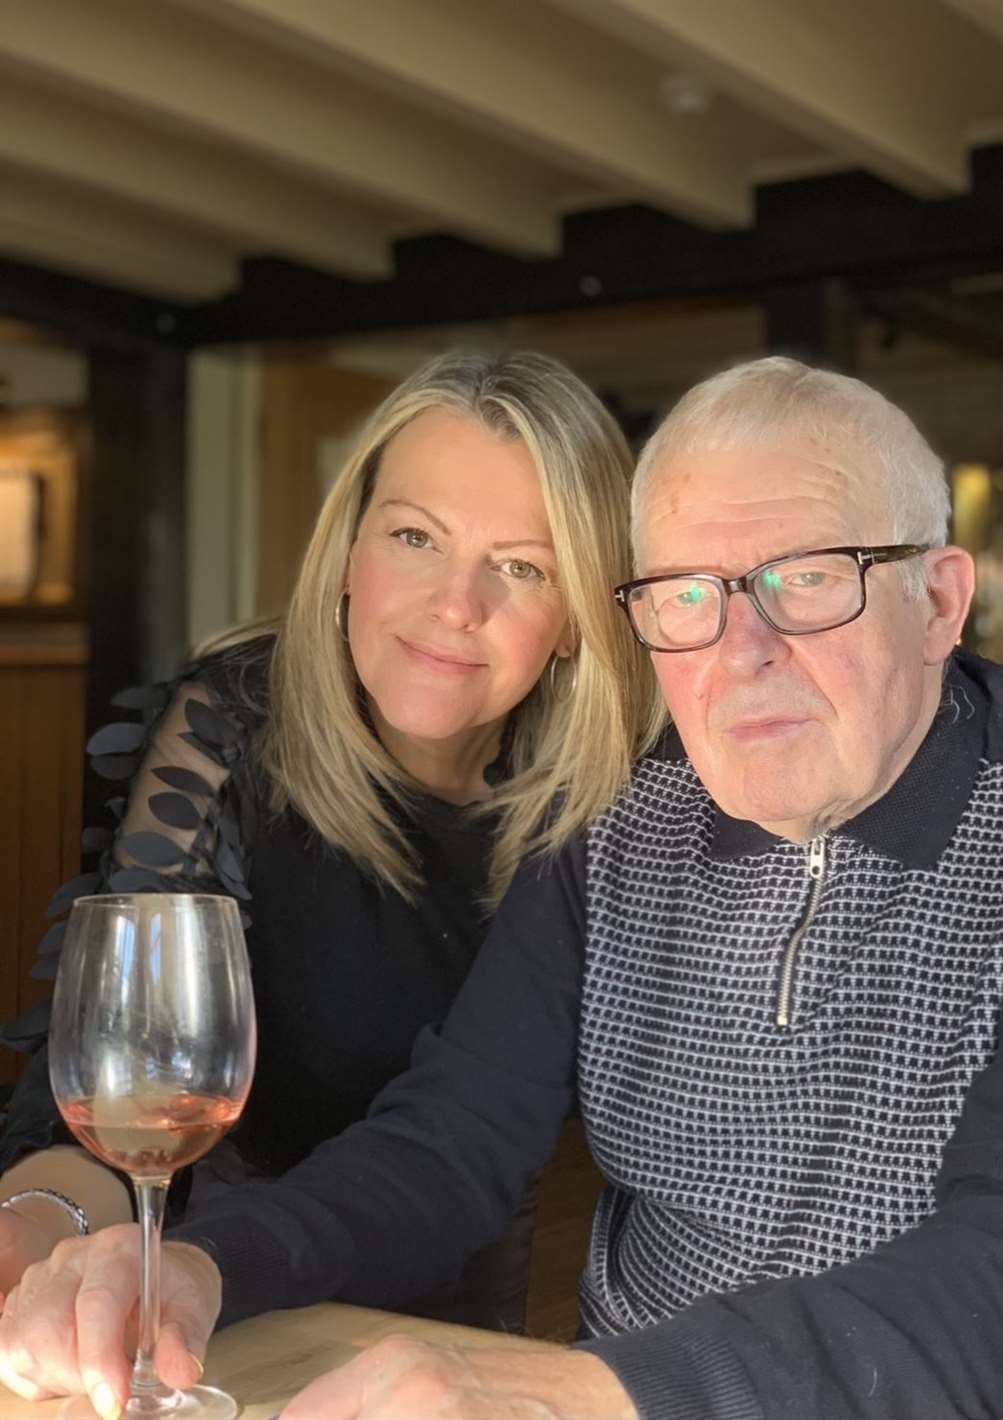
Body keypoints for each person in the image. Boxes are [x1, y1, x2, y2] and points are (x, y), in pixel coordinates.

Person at [5, 354, 1003, 1420]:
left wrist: (597, 1393)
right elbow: (453, 1137)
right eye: (687, 592)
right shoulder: (622, 806)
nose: (740, 650)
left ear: (939, 601)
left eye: (807, 578)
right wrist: (199, 1270)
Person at [0, 349, 662, 1335]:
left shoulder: (602, 803)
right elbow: (119, 1099)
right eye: (414, 536)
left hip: (452, 1315)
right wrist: (27, 1228)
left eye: (522, 566)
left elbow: (473, 1143)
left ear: (576, 622)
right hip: (206, 1292)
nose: (454, 604)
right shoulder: (230, 728)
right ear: (347, 553)